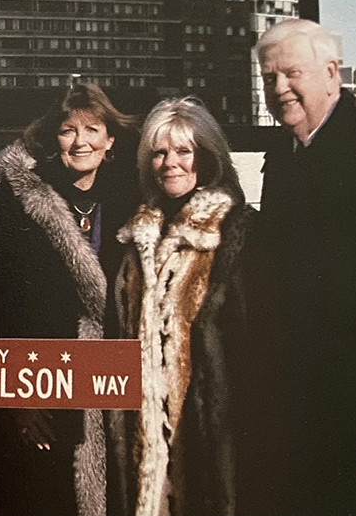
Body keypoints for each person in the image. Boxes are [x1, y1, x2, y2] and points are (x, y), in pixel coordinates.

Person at [242, 18, 356, 516]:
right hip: (299, 398)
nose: (278, 87)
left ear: (332, 73)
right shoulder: (283, 152)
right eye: (268, 77)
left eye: (291, 73)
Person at [0, 83, 139, 516]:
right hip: (37, 394)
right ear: (55, 139)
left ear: (111, 139)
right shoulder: (14, 199)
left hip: (111, 394)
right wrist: (16, 394)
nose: (80, 142)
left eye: (92, 129)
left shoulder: (135, 200)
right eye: (68, 131)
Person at [107, 97, 255, 516]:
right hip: (142, 436)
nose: (170, 163)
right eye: (159, 152)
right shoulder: (135, 236)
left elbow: (255, 341)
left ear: (207, 157)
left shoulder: (235, 230)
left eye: (183, 151)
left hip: (211, 434)